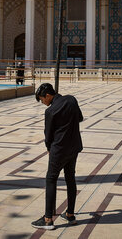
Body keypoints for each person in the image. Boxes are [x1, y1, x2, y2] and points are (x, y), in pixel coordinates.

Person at [31, 83, 83, 230]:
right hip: (74, 147)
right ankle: (70, 214)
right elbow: (79, 118)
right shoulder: (71, 100)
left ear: (48, 95)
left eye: (42, 100)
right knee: (70, 178)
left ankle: (48, 219)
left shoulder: (51, 111)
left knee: (51, 179)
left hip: (59, 150)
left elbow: (48, 136)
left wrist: (49, 148)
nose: (43, 103)